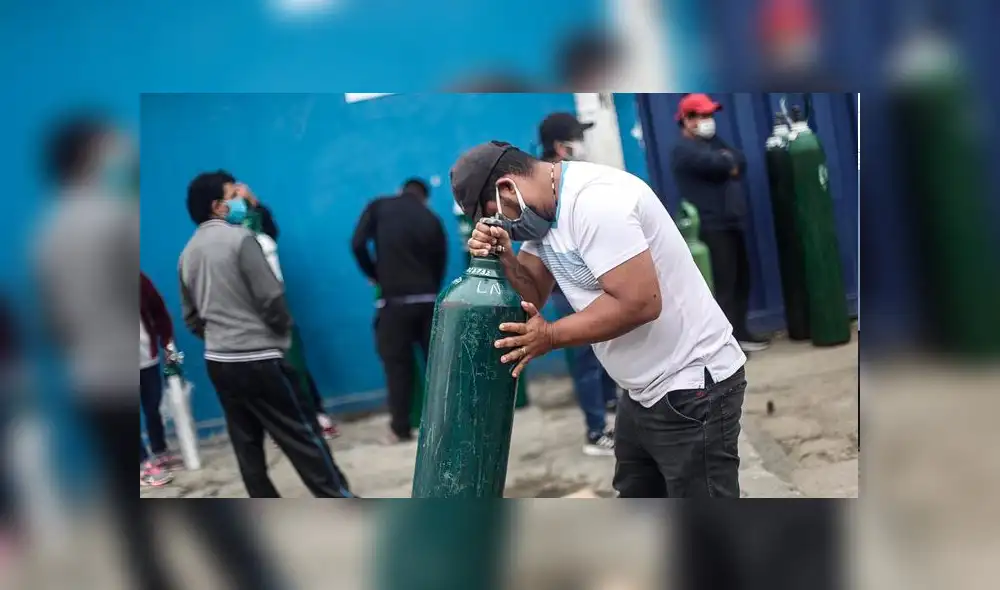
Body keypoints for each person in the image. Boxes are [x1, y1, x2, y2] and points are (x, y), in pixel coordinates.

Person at [450, 141, 748, 498]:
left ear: (506, 187)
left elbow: (640, 303)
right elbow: (531, 296)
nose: (509, 227)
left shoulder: (596, 202)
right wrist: (506, 256)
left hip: (690, 383)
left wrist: (551, 336)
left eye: (499, 216)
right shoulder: (544, 218)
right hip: (642, 390)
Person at [180, 170, 353, 497]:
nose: (241, 201)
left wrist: (220, 337)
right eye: (234, 195)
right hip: (259, 357)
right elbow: (271, 297)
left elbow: (191, 316)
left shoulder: (188, 253)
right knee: (301, 435)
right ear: (217, 206)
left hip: (218, 360)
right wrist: (279, 334)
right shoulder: (240, 240)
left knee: (246, 444)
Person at [538, 112, 619, 456]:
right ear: (561, 146)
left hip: (589, 283)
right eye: (577, 138)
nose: (582, 145)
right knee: (587, 360)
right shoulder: (546, 184)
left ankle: (612, 411)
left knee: (605, 354)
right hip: (568, 289)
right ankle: (595, 432)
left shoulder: (569, 179)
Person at [237, 183, 339, 439]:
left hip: (276, 307)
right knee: (268, 371)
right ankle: (284, 424)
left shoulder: (263, 235)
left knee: (295, 364)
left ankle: (316, 415)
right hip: (249, 314)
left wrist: (255, 201)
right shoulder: (232, 240)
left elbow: (270, 226)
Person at [670, 93, 771, 352]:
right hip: (711, 226)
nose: (708, 121)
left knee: (741, 281)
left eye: (709, 115)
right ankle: (727, 345)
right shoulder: (683, 150)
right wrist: (727, 163)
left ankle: (742, 332)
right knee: (723, 287)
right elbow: (718, 164)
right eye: (702, 116)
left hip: (732, 221)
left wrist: (728, 162)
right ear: (687, 120)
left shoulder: (713, 142)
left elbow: (739, 160)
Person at [351, 177, 447, 444]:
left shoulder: (379, 206)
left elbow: (357, 244)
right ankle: (449, 424)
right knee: (438, 366)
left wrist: (376, 275)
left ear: (399, 191)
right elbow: (440, 261)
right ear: (424, 198)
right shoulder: (432, 218)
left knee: (397, 367)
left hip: (394, 303)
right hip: (428, 301)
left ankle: (400, 428)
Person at [140, 272, 181, 486]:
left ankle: (160, 451)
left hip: (147, 357)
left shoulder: (140, 279)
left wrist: (168, 347)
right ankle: (142, 464)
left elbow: (160, 313)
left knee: (153, 405)